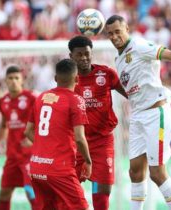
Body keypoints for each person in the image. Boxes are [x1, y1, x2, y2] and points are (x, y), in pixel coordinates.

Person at [105, 15, 171, 210]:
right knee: (135, 172)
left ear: (127, 29)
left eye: (117, 32)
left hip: (156, 114)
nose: (114, 37)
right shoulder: (118, 58)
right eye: (110, 34)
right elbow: (131, 88)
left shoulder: (138, 45)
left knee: (156, 173)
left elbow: (164, 54)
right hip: (138, 116)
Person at [24, 58, 92, 210]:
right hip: (60, 169)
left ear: (55, 78)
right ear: (77, 78)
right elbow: (80, 138)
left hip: (36, 168)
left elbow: (28, 131)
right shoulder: (75, 100)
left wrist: (45, 147)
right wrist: (88, 161)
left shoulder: (41, 97)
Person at [68, 35, 127, 210]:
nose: (84, 58)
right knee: (69, 189)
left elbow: (129, 94)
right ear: (71, 56)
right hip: (76, 141)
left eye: (87, 54)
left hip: (103, 140)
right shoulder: (68, 80)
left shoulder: (106, 74)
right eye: (79, 55)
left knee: (102, 189)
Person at [0, 65, 38, 210]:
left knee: (32, 193)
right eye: (10, 78)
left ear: (22, 80)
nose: (14, 81)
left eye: (17, 78)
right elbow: (4, 126)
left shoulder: (31, 98)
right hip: (12, 156)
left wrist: (32, 137)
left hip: (30, 156)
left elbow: (43, 121)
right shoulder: (3, 101)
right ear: (6, 81)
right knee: (4, 193)